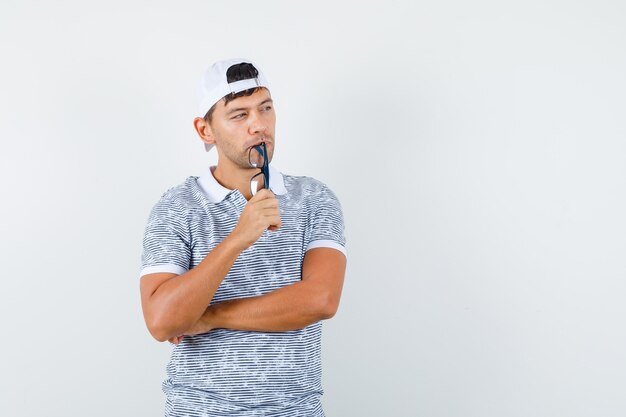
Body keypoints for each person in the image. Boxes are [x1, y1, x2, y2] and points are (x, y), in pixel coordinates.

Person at [138, 58, 347, 417]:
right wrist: (237, 238)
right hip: (200, 409)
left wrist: (210, 316)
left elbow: (321, 300)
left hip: (297, 410)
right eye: (239, 115)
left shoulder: (313, 198)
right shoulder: (177, 207)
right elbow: (161, 321)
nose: (259, 125)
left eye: (266, 109)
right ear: (206, 131)